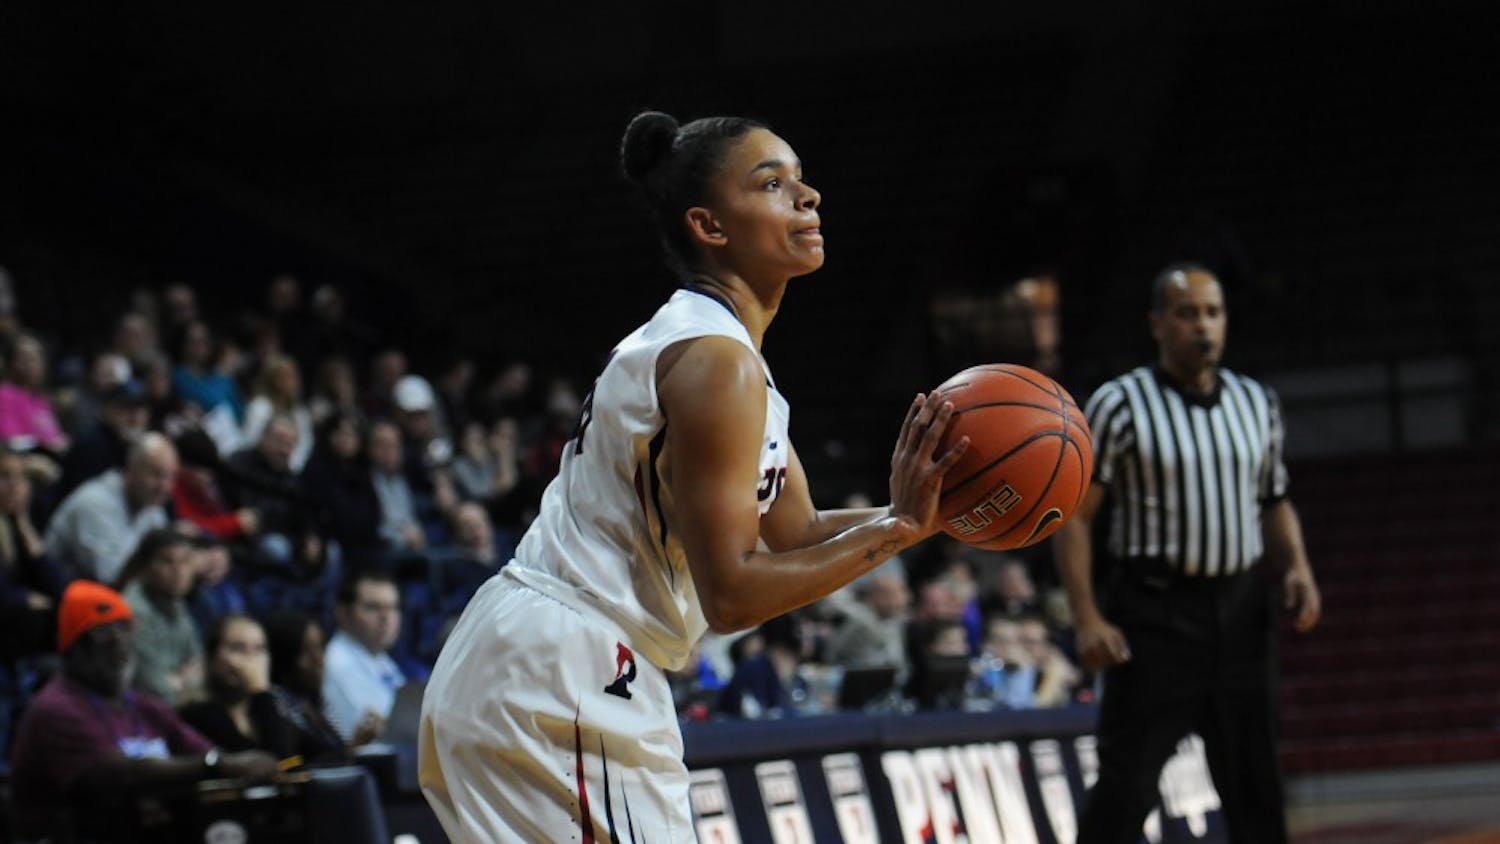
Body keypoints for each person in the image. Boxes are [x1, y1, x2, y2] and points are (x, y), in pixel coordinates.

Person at [418, 110, 967, 843]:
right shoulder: (716, 363)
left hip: (548, 659)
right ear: (710, 226)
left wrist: (929, 511)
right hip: (568, 666)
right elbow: (735, 591)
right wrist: (899, 530)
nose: (808, 199)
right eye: (773, 184)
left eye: (802, 182)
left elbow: (796, 533)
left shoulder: (727, 356)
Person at [1051, 262, 1322, 843]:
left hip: (1242, 611)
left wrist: (1296, 565)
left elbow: (1274, 499)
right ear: (1157, 323)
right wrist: (1087, 617)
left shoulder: (1256, 402)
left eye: (1213, 312)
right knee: (1126, 788)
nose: (1203, 325)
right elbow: (1075, 516)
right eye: (1187, 312)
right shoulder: (1119, 403)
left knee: (1257, 786)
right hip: (1154, 616)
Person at [8, 581, 279, 841]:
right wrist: (215, 766)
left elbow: (203, 750)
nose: (118, 642)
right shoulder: (56, 708)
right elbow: (117, 775)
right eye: (101, 633)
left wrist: (233, 763)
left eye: (124, 629)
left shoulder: (143, 706)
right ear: (73, 647)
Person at [179, 613, 348, 765]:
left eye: (260, 649)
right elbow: (275, 763)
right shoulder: (197, 713)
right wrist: (260, 691)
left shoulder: (269, 708)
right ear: (211, 657)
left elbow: (322, 755)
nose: (251, 659)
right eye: (238, 648)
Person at [44, 432, 178, 583]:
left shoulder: (151, 504)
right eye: (156, 475)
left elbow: (164, 554)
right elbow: (112, 577)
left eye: (170, 477)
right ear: (131, 470)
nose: (164, 487)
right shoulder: (94, 504)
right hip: (70, 598)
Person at [117, 528, 206, 705]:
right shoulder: (133, 611)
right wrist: (185, 680)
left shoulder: (174, 600)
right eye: (167, 561)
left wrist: (178, 680)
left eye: (185, 561)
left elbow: (202, 665)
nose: (179, 570)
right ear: (145, 567)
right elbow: (156, 691)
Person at [323, 570, 407, 742]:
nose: (386, 617)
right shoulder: (337, 664)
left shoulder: (382, 660)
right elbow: (375, 737)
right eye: (373, 607)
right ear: (344, 614)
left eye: (393, 607)